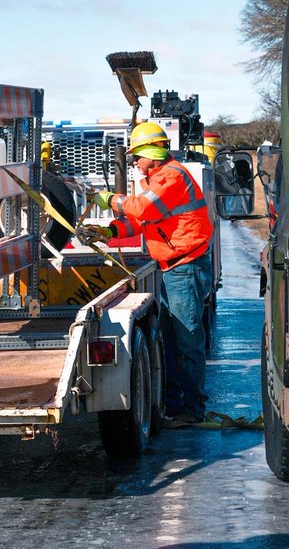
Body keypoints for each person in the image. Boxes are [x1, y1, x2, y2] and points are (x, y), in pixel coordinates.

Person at [86, 121, 215, 423]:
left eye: (138, 157)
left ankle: (191, 410)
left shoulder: (171, 177)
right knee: (172, 338)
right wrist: (108, 232)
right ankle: (177, 405)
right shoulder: (159, 181)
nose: (136, 164)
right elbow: (143, 223)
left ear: (152, 153)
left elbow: (143, 209)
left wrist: (112, 200)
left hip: (186, 267)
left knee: (187, 339)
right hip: (175, 269)